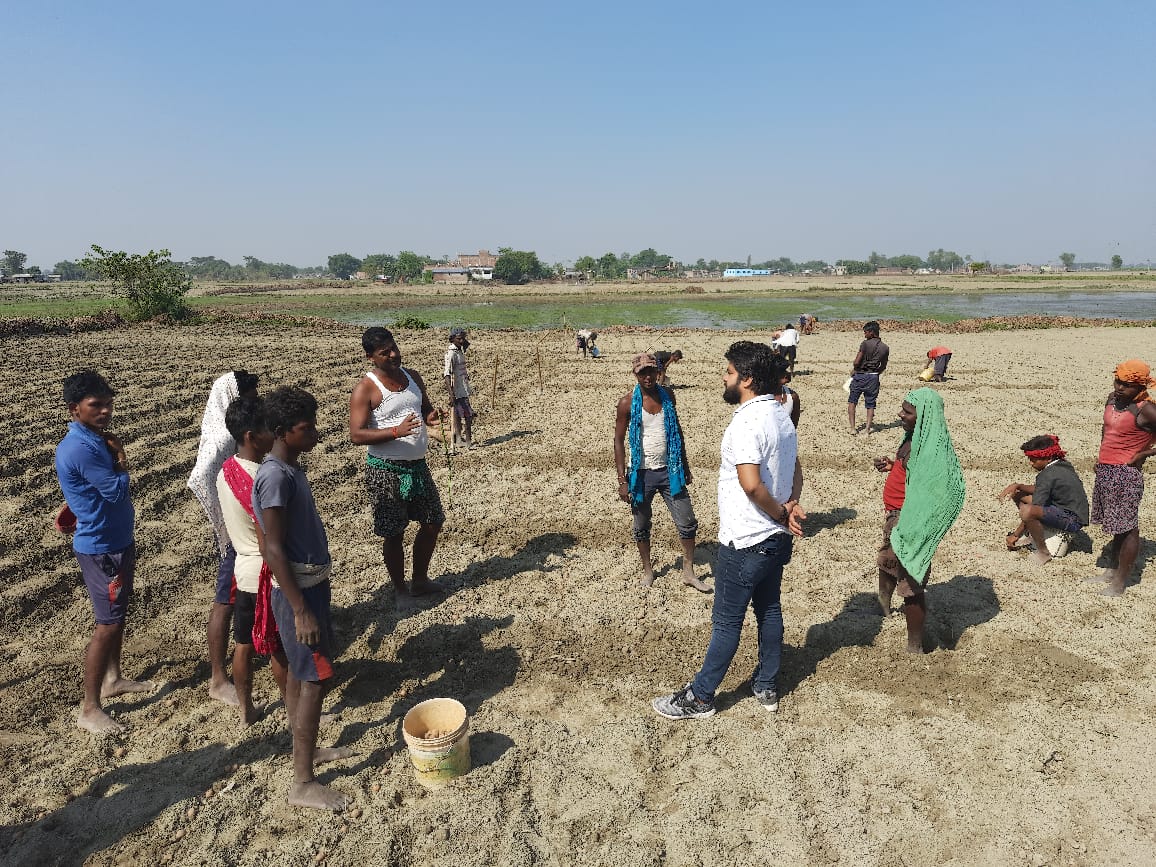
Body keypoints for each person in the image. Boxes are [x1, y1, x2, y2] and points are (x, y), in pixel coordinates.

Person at [652, 342, 805, 719]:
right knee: (769, 610)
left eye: (729, 371)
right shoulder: (781, 413)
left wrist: (779, 514)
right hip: (774, 540)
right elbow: (795, 468)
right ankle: (767, 685)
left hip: (746, 539)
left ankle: (701, 697)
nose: (724, 376)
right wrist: (791, 505)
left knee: (726, 622)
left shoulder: (746, 422)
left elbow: (751, 485)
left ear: (747, 379)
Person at [254, 386, 350, 812]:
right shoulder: (275, 476)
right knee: (315, 678)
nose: (314, 433)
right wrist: (299, 610)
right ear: (281, 432)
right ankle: (303, 781)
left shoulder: (290, 468)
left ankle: (307, 754)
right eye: (305, 428)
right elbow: (272, 548)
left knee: (300, 671)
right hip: (299, 592)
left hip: (309, 585)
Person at [55, 371, 154, 734]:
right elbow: (114, 491)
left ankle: (113, 678)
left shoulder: (92, 440)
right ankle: (90, 707)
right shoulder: (82, 447)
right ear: (74, 409)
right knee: (107, 625)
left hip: (115, 540)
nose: (105, 411)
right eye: (96, 405)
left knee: (117, 616)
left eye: (108, 403)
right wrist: (122, 462)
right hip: (101, 548)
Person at [349, 327, 446, 598]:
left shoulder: (413, 377)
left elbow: (424, 409)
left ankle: (420, 580)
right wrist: (395, 431)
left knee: (432, 522)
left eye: (394, 348)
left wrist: (432, 416)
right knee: (393, 533)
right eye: (385, 353)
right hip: (385, 470)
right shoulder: (366, 388)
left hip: (417, 466)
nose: (393, 355)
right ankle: (400, 590)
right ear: (370, 357)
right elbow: (356, 434)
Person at [872, 388, 965, 653]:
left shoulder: (931, 451)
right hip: (894, 516)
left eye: (907, 412)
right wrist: (893, 465)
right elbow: (909, 471)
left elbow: (937, 491)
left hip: (909, 521)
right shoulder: (914, 439)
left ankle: (915, 647)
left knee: (911, 582)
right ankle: (883, 608)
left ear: (924, 416)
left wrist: (910, 525)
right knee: (886, 562)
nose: (900, 414)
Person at [188, 370, 259, 708]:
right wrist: (227, 519)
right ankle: (218, 678)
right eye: (250, 395)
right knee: (226, 601)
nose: (255, 400)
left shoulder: (228, 435)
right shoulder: (220, 442)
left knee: (237, 600)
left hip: (241, 532)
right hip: (235, 537)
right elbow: (202, 478)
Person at [215, 395, 287, 726]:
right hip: (267, 570)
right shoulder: (262, 477)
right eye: (267, 429)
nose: (273, 434)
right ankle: (292, 707)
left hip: (243, 570)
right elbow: (270, 533)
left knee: (242, 643)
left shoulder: (226, 471)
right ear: (250, 436)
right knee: (279, 647)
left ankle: (246, 711)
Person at [614, 353, 708, 592]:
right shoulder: (627, 403)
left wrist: (685, 465)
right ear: (635, 374)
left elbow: (677, 431)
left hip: (670, 470)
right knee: (641, 525)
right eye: (642, 373)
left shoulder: (668, 396)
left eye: (651, 371)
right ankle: (648, 571)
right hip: (641, 474)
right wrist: (622, 480)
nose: (648, 377)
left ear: (658, 372)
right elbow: (618, 441)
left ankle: (688, 571)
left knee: (687, 522)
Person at [1087, 360, 1156, 596]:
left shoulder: (1147, 409)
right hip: (1106, 470)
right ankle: (1111, 570)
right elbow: (1106, 429)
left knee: (1128, 528)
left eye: (1127, 385)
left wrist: (1143, 453)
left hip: (1126, 475)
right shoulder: (1112, 399)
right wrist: (1101, 453)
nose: (1119, 387)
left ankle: (1120, 583)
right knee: (1117, 525)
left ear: (1141, 387)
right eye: (1118, 381)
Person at [999, 435, 1088, 565]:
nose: (1030, 463)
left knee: (1027, 511)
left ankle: (1043, 552)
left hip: (1071, 518)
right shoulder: (1062, 465)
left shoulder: (1047, 474)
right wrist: (1018, 486)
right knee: (1018, 494)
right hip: (1071, 512)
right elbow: (1041, 489)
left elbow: (1033, 508)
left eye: (1033, 460)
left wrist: (1016, 534)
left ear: (1047, 457)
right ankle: (1033, 532)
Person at [848, 321, 889, 437]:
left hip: (860, 375)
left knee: (852, 401)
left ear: (871, 332)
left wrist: (855, 369)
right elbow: (883, 366)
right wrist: (876, 373)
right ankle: (867, 429)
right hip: (873, 377)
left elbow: (856, 361)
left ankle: (852, 428)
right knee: (870, 404)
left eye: (865, 332)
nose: (864, 334)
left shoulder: (865, 344)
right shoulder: (885, 347)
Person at [443, 327, 475, 452]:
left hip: (463, 388)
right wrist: (451, 395)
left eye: (463, 338)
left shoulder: (459, 350)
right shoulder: (451, 354)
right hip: (458, 391)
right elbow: (447, 375)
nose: (462, 341)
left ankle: (459, 439)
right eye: (459, 339)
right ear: (452, 339)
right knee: (468, 416)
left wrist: (464, 344)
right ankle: (468, 442)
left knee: (458, 416)